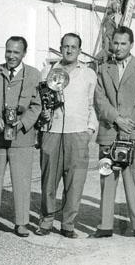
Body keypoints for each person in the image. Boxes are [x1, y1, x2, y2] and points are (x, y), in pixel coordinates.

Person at [0, 36, 42, 238]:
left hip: (22, 138)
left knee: (21, 181)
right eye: (8, 51)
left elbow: (37, 105)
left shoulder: (34, 74)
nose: (11, 56)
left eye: (16, 52)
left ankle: (21, 223)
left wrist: (23, 122)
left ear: (24, 53)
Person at [91, 26, 135, 240]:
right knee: (107, 177)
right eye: (115, 43)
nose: (118, 47)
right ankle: (105, 226)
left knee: (133, 180)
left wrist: (130, 123)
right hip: (109, 132)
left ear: (131, 45)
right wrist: (116, 118)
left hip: (132, 133)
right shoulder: (103, 68)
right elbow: (99, 99)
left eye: (123, 43)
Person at [35, 33, 97, 239]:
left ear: (80, 50)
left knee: (75, 182)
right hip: (51, 131)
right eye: (66, 46)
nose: (69, 50)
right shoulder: (47, 71)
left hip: (78, 133)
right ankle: (46, 221)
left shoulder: (88, 74)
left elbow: (93, 105)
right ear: (60, 48)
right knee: (49, 180)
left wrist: (90, 130)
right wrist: (42, 116)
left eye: (73, 47)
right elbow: (40, 101)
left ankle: (68, 224)